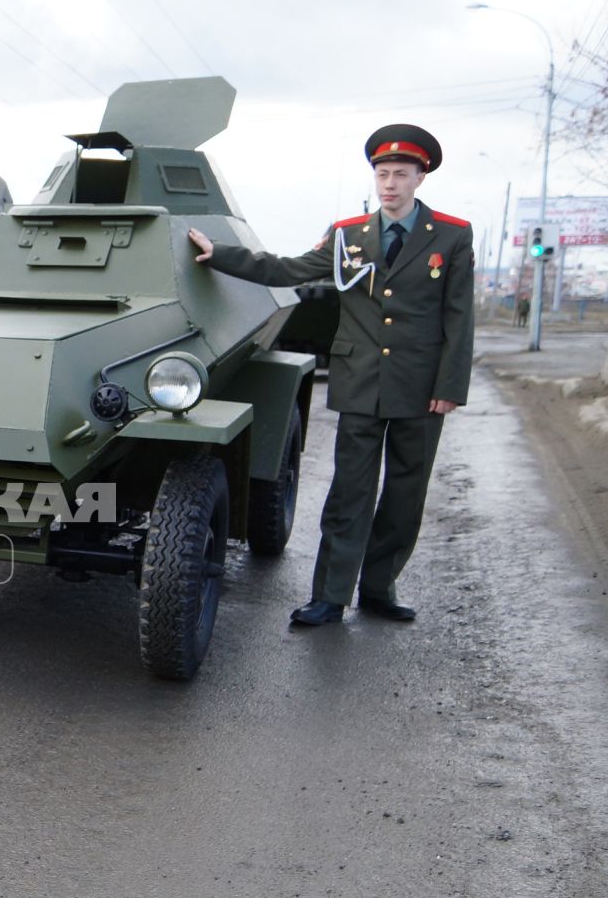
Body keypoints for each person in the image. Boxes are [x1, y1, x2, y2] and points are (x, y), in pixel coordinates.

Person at [186, 123, 474, 628]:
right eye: (382, 173)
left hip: (421, 387)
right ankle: (330, 597)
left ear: (419, 179)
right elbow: (289, 269)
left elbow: (458, 316)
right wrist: (221, 254)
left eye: (400, 174)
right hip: (360, 380)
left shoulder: (451, 235)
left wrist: (450, 387)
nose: (389, 184)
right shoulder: (348, 236)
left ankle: (380, 589)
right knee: (349, 492)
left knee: (405, 494)